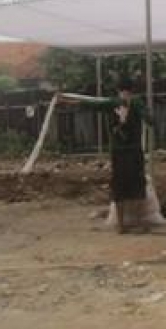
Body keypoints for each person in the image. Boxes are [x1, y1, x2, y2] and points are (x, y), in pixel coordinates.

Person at [58, 78, 151, 233]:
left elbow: (90, 104)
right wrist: (148, 119)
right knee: (137, 185)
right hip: (134, 152)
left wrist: (65, 100)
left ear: (118, 89)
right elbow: (148, 118)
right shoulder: (137, 103)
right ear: (132, 89)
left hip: (118, 152)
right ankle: (139, 223)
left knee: (119, 186)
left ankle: (121, 226)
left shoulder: (112, 103)